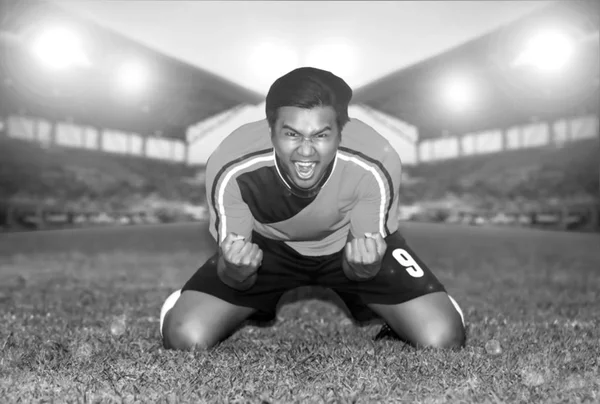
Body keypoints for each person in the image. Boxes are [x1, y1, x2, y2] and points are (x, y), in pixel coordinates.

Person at [160, 67, 466, 350]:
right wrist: (236, 268)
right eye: (291, 134)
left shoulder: (375, 161)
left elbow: (361, 264)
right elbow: (235, 270)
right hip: (267, 246)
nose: (305, 151)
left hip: (346, 242)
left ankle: (424, 304)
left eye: (321, 135)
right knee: (186, 336)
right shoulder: (232, 165)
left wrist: (366, 264)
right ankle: (185, 303)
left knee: (443, 337)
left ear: (341, 132)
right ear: (271, 130)